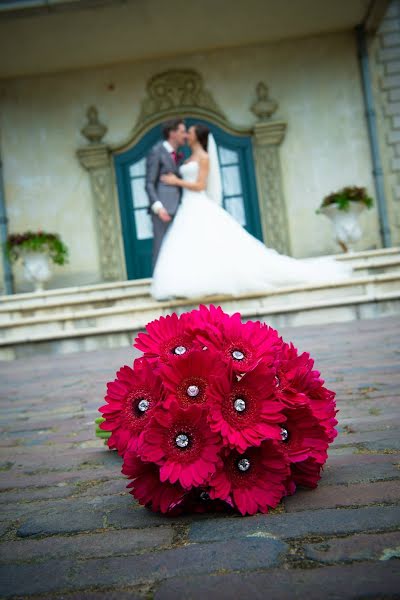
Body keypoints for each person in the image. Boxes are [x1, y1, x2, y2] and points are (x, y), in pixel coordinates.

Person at [151, 123, 351, 300]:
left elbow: (201, 185)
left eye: (191, 132)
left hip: (197, 203)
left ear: (198, 137)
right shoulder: (187, 157)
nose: (187, 135)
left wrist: (176, 181)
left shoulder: (203, 157)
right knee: (192, 245)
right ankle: (190, 281)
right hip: (188, 206)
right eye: (186, 132)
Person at [145, 118, 187, 267]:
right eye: (182, 131)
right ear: (172, 133)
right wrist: (158, 207)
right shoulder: (157, 152)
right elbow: (149, 183)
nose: (186, 135)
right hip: (163, 210)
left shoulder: (180, 154)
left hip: (180, 208)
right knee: (161, 247)